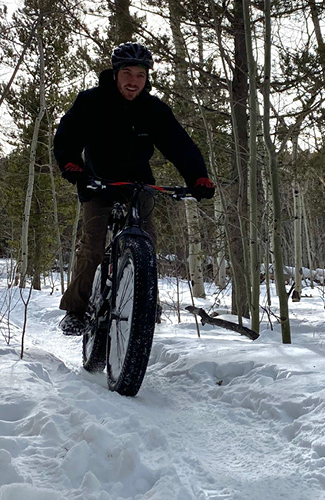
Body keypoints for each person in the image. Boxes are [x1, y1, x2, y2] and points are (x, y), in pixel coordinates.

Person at [53, 42, 215, 335]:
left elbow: (180, 145)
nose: (133, 81)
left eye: (140, 75)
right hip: (97, 182)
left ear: (146, 78)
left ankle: (144, 300)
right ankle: (75, 310)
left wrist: (198, 177)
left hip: (138, 185)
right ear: (115, 74)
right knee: (92, 246)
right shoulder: (91, 102)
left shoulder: (153, 110)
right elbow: (67, 136)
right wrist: (71, 165)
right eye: (127, 73)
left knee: (147, 240)